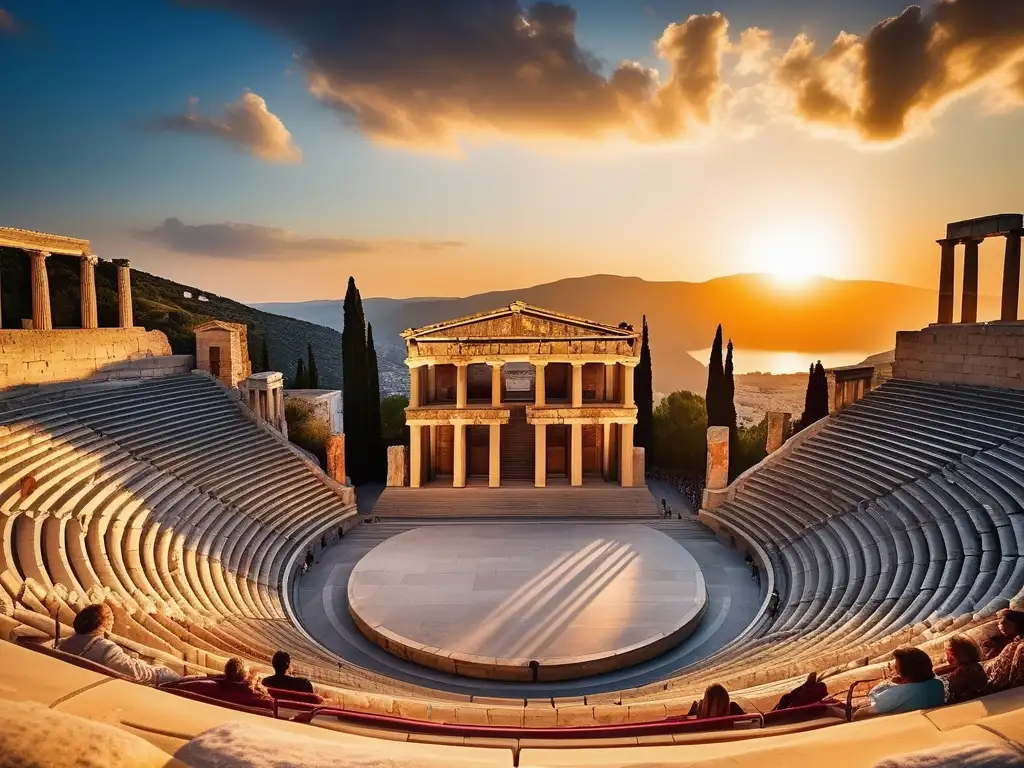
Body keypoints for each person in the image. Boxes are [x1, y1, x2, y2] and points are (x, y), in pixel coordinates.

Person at [58, 603, 180, 686]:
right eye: (111, 619)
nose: (112, 623)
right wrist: (162, 673)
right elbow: (135, 672)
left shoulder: (62, 644)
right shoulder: (106, 649)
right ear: (104, 624)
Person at [852, 647, 944, 720]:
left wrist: (888, 683)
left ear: (904, 672)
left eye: (896, 667)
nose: (895, 670)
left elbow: (859, 714)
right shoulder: (937, 685)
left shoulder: (899, 693)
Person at [934, 635, 987, 704]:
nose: (947, 658)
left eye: (951, 654)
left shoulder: (958, 674)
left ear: (955, 655)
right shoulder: (977, 666)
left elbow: (952, 696)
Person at [984, 609, 1024, 692]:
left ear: (1016, 622)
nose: (1000, 626)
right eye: (999, 623)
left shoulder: (1018, 646)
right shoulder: (1013, 641)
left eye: (1002, 623)